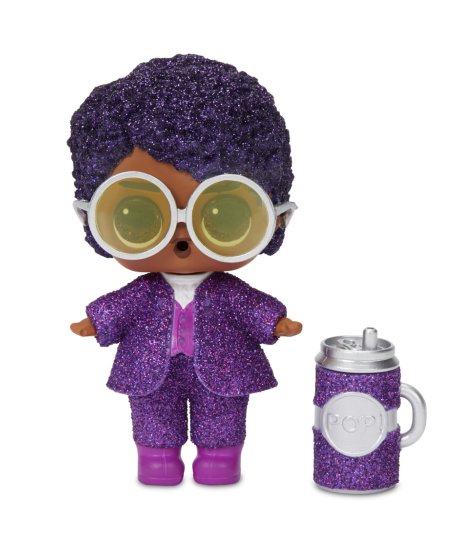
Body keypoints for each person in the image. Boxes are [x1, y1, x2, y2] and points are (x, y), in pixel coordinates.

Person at [69, 54, 302, 486]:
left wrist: (276, 322)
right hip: (149, 373)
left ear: (275, 220)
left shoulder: (228, 292)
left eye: (223, 216)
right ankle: (157, 460)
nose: (182, 238)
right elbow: (119, 307)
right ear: (92, 219)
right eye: (141, 216)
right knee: (152, 416)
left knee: (223, 418)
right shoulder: (144, 293)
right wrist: (95, 322)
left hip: (225, 371)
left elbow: (252, 307)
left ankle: (220, 459)